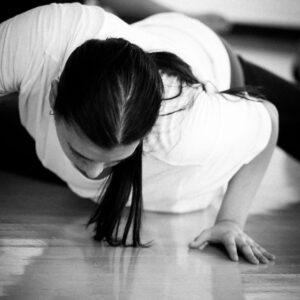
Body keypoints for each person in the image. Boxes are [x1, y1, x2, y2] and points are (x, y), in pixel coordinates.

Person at [0, 2, 298, 265]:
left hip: (219, 68)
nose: (94, 172)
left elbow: (268, 118)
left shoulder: (182, 125)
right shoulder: (39, 42)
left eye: (114, 161)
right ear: (54, 96)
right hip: (150, 42)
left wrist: (231, 220)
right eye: (80, 152)